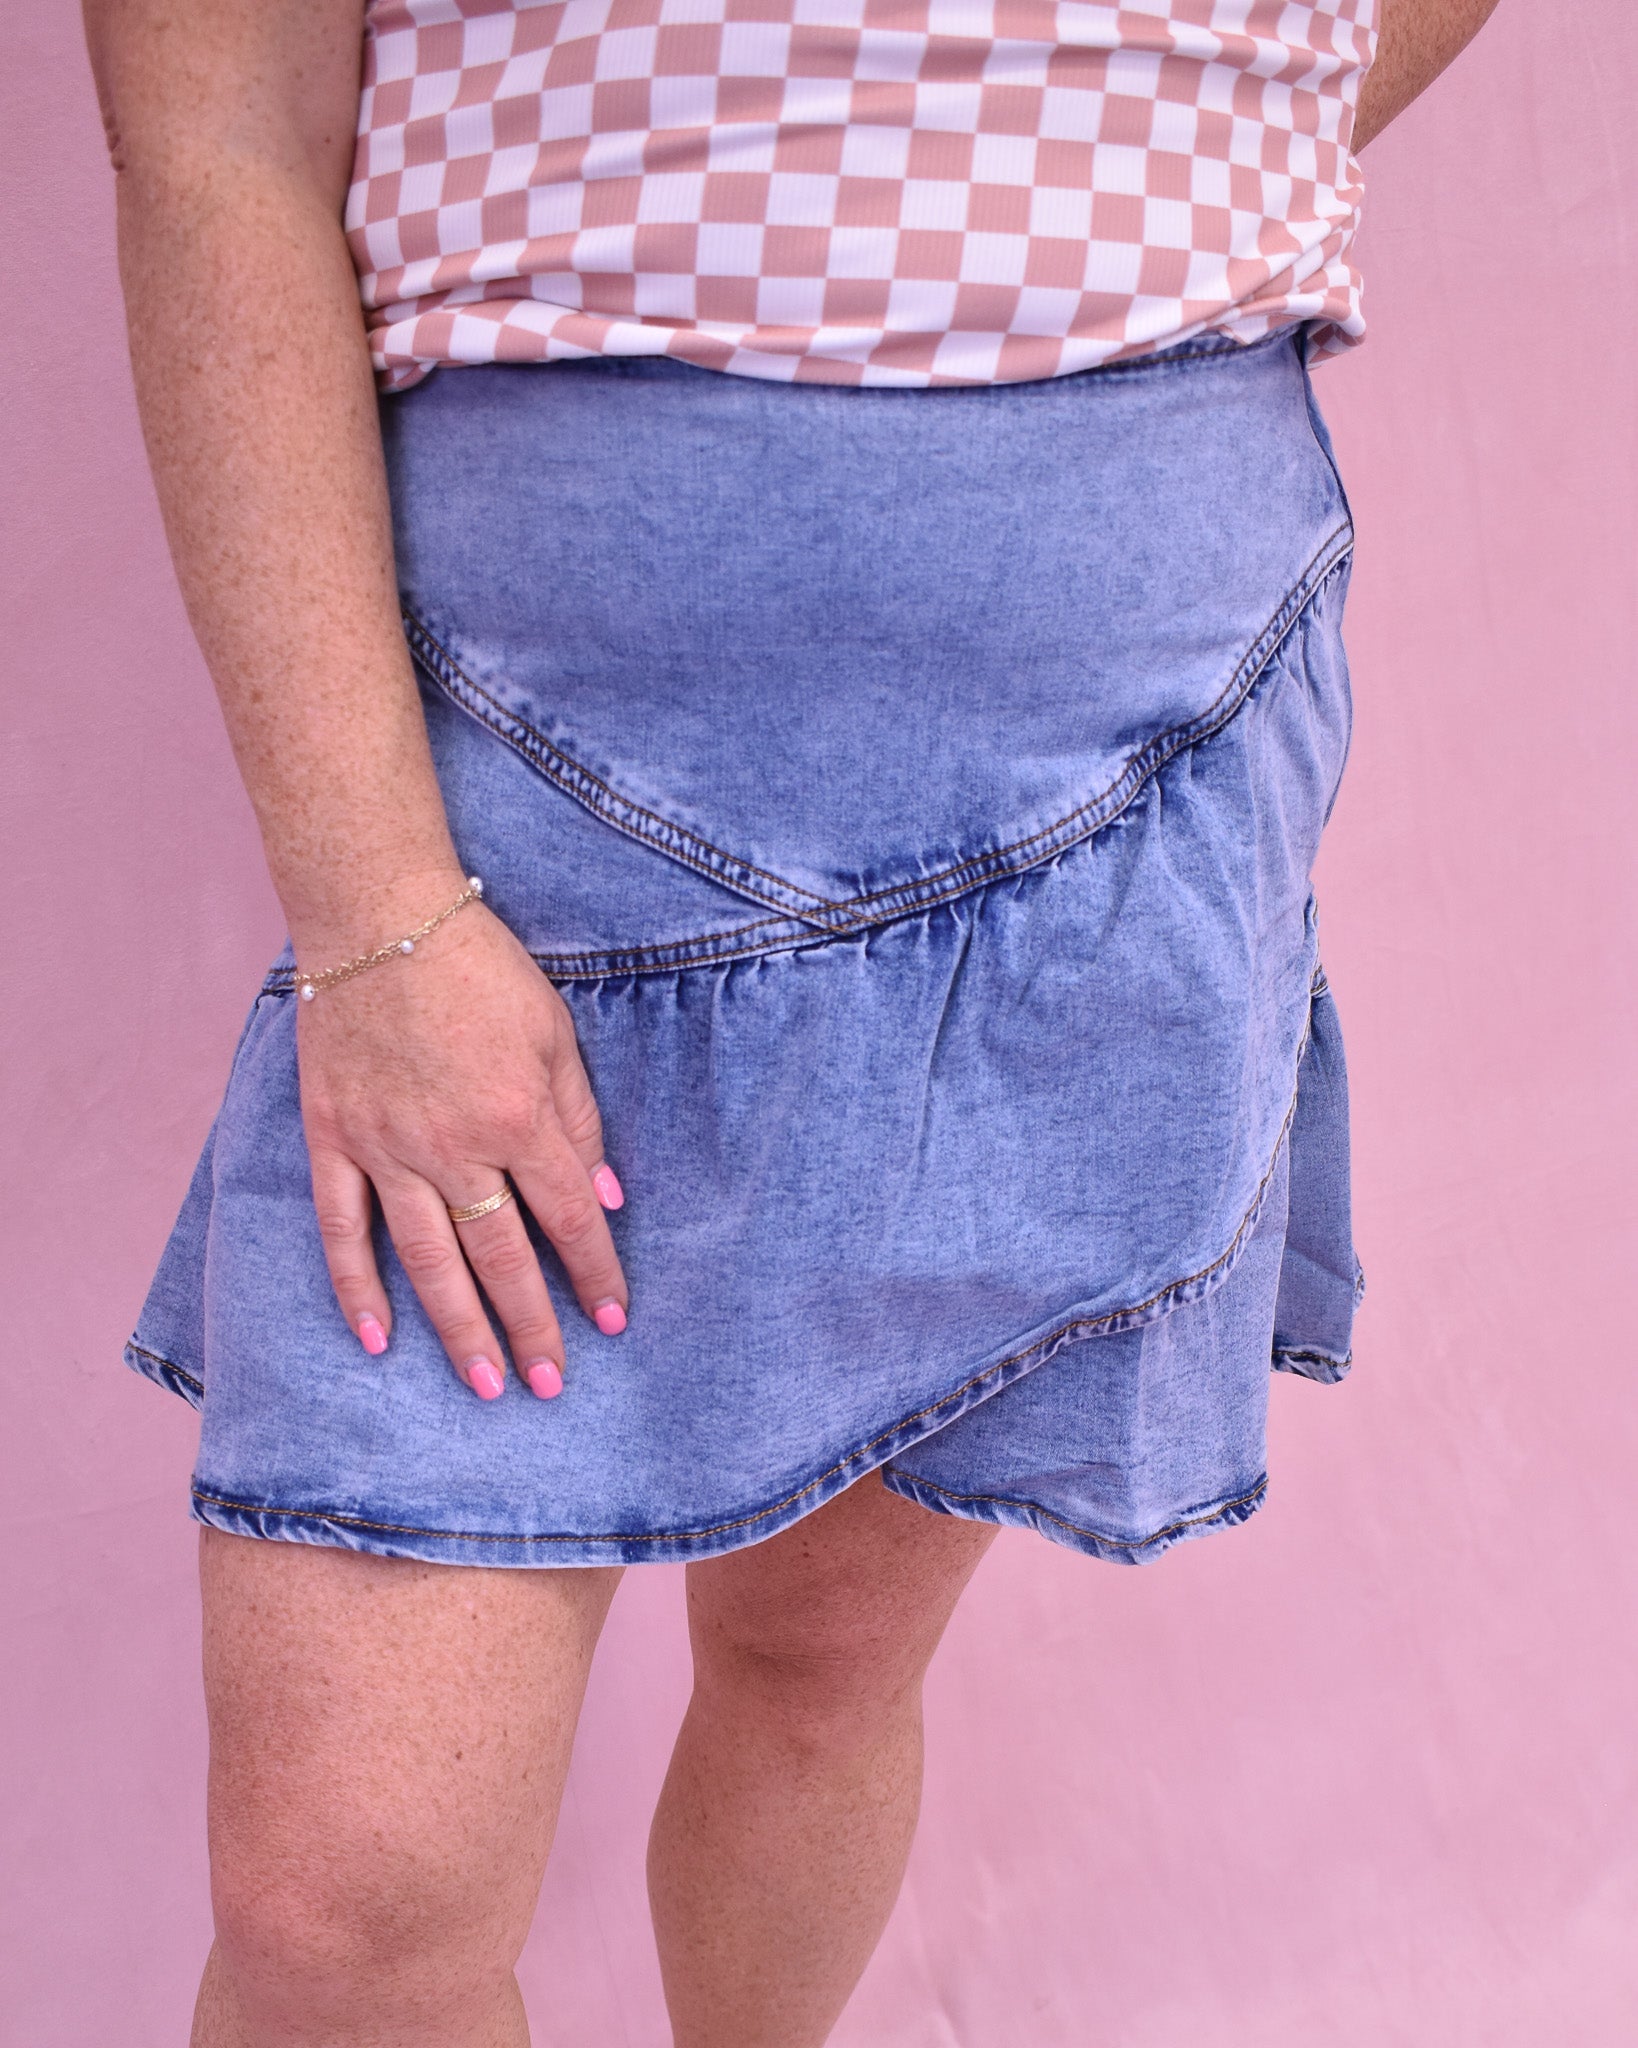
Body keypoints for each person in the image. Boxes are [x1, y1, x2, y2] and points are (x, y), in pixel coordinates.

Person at [85, 0, 1496, 2041]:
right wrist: (376, 912)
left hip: (1122, 777)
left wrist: (1135, 141)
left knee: (820, 1674)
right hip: (515, 794)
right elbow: (213, 129)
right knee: (341, 1903)